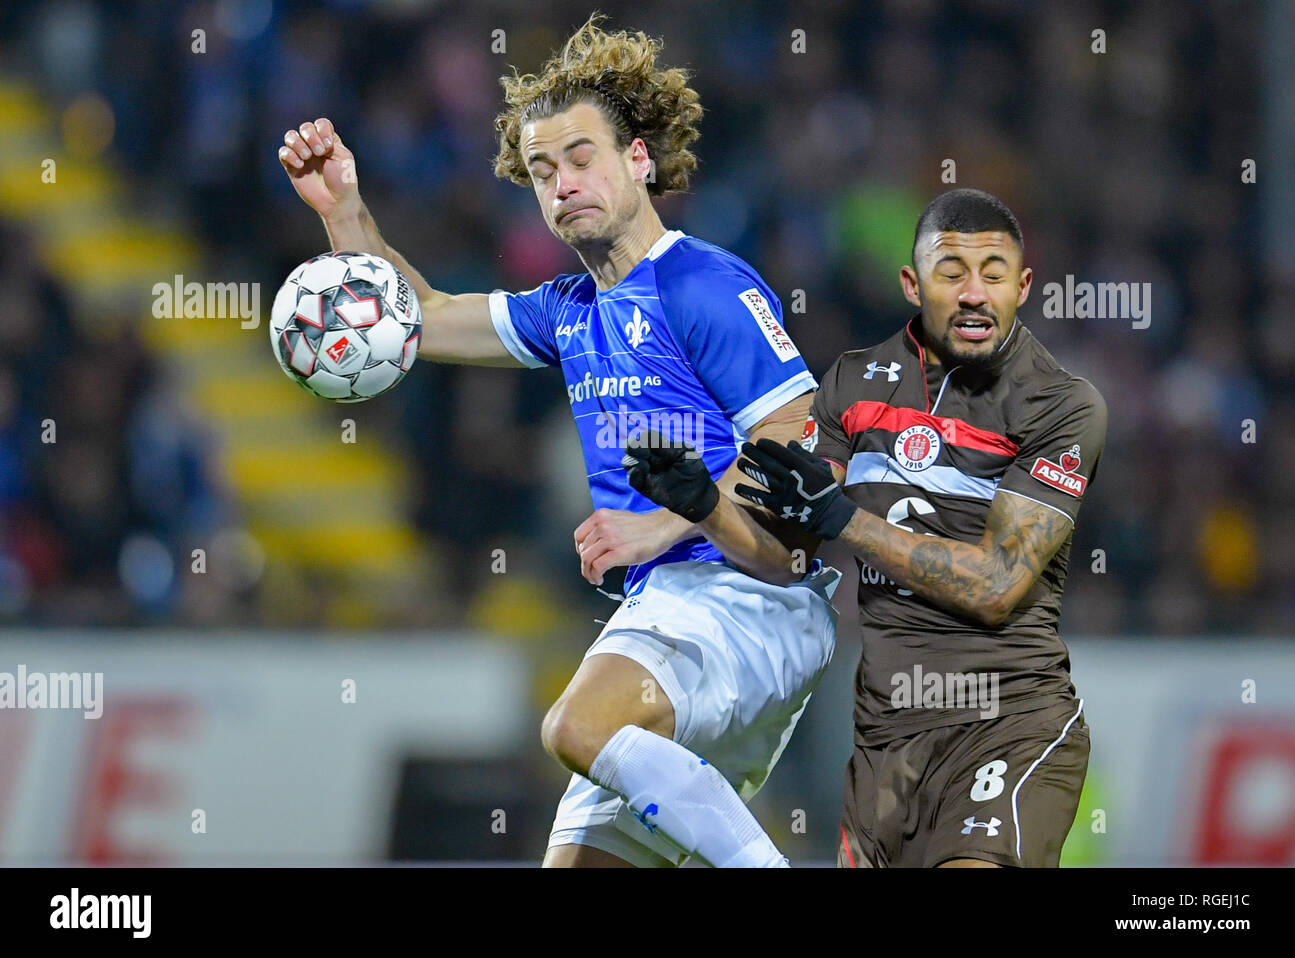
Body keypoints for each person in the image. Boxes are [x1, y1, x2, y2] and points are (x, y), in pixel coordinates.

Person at [277, 17, 839, 868]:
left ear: (639, 160)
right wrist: (345, 211)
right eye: (543, 171)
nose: (563, 183)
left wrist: (670, 521)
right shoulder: (569, 309)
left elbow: (799, 441)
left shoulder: (702, 283)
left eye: (582, 158)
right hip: (672, 614)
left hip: (748, 597)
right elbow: (419, 318)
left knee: (575, 723)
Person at [657, 188, 1106, 867]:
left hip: (1008, 721)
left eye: (993, 273)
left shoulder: (1063, 406)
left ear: (1024, 286)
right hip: (886, 738)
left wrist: (847, 519)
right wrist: (705, 507)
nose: (975, 293)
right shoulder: (851, 384)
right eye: (952, 272)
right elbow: (785, 561)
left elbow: (995, 584)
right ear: (912, 282)